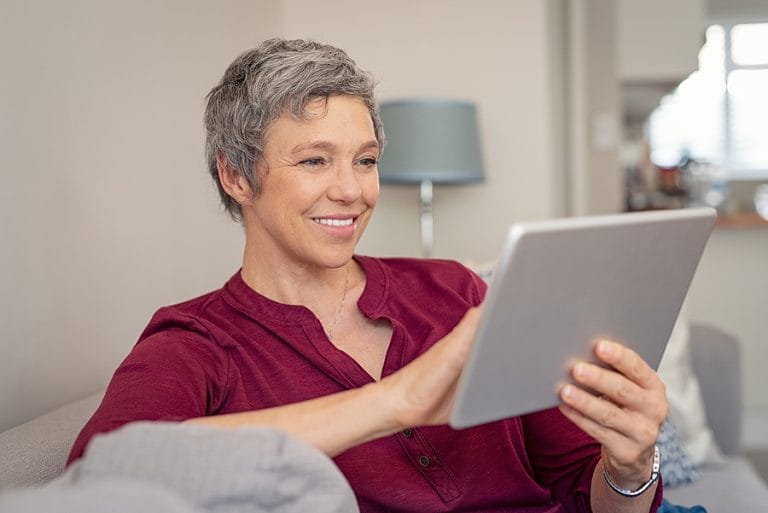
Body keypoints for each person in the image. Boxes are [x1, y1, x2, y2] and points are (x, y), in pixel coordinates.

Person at [68, 38, 668, 513]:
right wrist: (393, 402)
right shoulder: (196, 342)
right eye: (314, 161)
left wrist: (631, 470)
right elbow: (104, 475)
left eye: (366, 160)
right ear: (236, 176)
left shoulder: (456, 292)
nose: (352, 191)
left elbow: (582, 493)